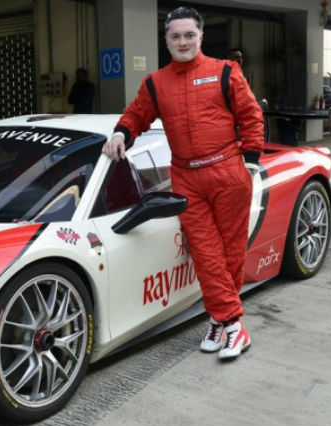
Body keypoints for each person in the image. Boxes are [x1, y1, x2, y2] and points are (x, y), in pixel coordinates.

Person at [103, 6, 264, 360]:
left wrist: (250, 162)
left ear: (200, 37)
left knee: (231, 252)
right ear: (166, 41)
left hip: (228, 172)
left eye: (189, 35)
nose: (182, 41)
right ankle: (233, 323)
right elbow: (136, 115)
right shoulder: (156, 83)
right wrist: (120, 133)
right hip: (187, 179)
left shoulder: (225, 72)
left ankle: (221, 322)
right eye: (175, 36)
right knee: (206, 253)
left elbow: (251, 116)